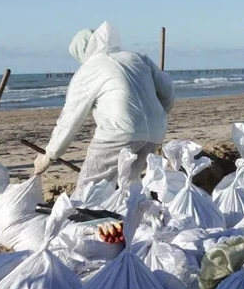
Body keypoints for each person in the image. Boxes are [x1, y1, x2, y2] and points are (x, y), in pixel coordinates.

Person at [34, 22, 175, 188]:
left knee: (89, 189)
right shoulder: (137, 57)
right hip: (155, 133)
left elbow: (70, 119)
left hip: (118, 135)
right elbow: (168, 92)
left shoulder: (89, 70)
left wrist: (49, 156)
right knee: (129, 188)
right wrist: (157, 118)